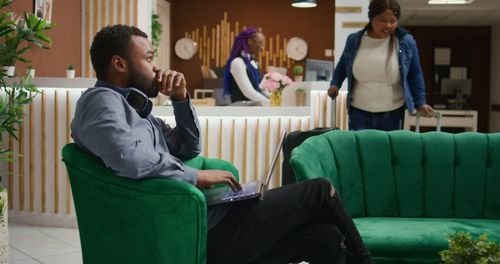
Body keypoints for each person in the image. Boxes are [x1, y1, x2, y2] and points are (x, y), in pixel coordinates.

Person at [71, 24, 372, 264]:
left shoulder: (137, 108)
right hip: (204, 232)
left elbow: (188, 147)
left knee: (325, 236)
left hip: (212, 220)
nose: (156, 67)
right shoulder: (102, 102)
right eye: (149, 58)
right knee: (319, 190)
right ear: (119, 64)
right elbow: (128, 158)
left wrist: (180, 100)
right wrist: (196, 176)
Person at [327, 0, 433, 131]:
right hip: (359, 112)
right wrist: (335, 84)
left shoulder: (405, 42)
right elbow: (343, 66)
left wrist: (420, 102)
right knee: (360, 150)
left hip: (393, 113)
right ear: (371, 19)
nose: (387, 25)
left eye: (393, 21)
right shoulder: (354, 40)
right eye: (382, 20)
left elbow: (415, 74)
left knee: (389, 151)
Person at [222, 27, 270, 104]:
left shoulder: (254, 63)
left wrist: (275, 98)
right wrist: (269, 103)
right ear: (250, 41)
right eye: (260, 43)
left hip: (254, 106)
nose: (262, 48)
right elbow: (248, 92)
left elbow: (261, 88)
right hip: (241, 109)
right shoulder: (237, 62)